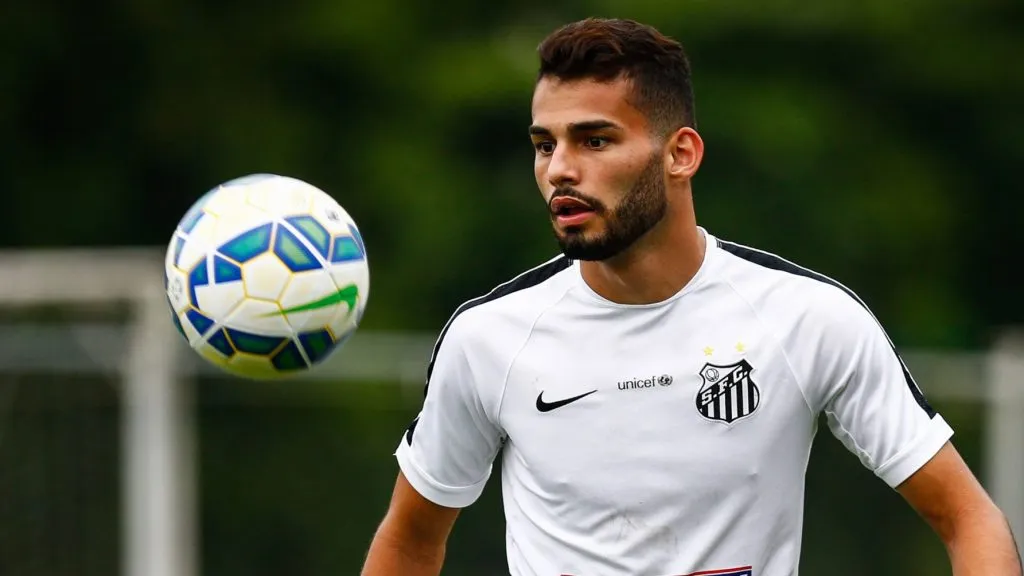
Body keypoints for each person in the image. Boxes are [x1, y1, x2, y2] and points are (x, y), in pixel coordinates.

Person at [361, 17, 1022, 576]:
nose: (559, 168)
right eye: (544, 144)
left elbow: (969, 520)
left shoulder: (807, 319)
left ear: (681, 154)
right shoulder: (489, 338)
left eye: (595, 139)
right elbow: (411, 537)